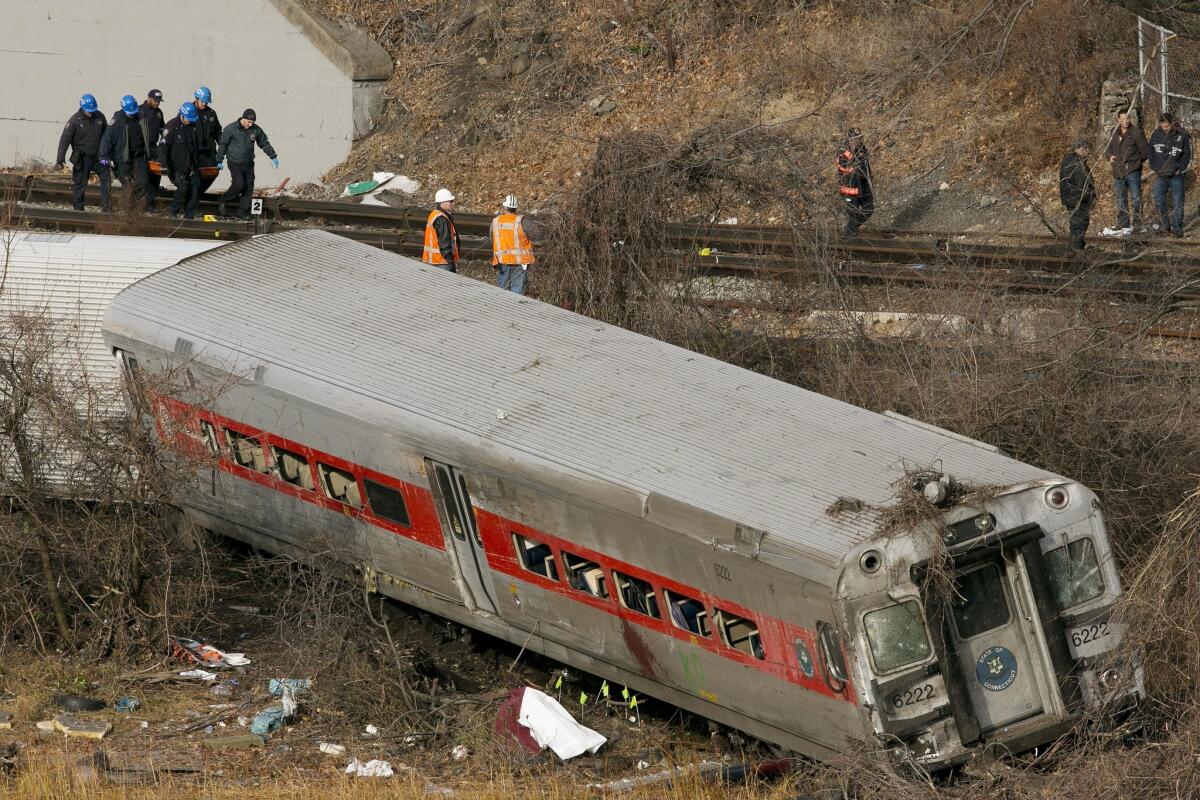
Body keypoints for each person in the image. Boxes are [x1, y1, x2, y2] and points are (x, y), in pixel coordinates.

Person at [215, 109, 279, 220]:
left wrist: (273, 156)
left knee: (249, 187)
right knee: (239, 184)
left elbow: (264, 143)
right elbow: (223, 145)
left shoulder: (255, 130)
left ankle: (242, 211)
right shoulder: (231, 129)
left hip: (248, 163)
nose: (250, 124)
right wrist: (219, 160)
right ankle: (223, 200)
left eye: (252, 122)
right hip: (235, 162)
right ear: (243, 118)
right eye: (249, 122)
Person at [55, 93, 111, 212]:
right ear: (83, 108)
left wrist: (108, 154)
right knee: (80, 185)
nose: (91, 113)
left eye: (93, 110)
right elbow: (64, 140)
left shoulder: (100, 117)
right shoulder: (74, 120)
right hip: (82, 157)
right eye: (89, 110)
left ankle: (107, 208)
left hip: (99, 156)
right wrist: (60, 160)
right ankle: (78, 210)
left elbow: (107, 136)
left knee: (106, 179)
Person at [99, 94, 151, 211]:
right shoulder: (117, 121)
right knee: (127, 185)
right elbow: (107, 138)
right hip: (122, 158)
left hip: (138, 156)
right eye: (130, 112)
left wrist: (150, 153)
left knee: (143, 183)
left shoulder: (142, 117)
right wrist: (103, 156)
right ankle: (127, 210)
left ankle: (137, 209)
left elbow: (147, 138)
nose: (132, 114)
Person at [1148, 111, 1191, 237]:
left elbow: (1187, 154)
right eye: (1162, 125)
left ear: (1172, 123)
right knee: (1158, 199)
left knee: (1178, 201)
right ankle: (1165, 226)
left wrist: (1181, 168)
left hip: (1176, 175)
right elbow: (1150, 150)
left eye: (1167, 125)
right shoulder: (1156, 134)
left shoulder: (1182, 135)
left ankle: (1177, 228)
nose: (1165, 128)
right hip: (1161, 174)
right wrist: (1154, 167)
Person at [1104, 110, 1149, 232]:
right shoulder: (1113, 132)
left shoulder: (1136, 133)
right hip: (1118, 171)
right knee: (1120, 198)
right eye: (1123, 119)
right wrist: (1109, 157)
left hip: (1133, 170)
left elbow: (1145, 152)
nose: (1126, 121)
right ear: (1118, 119)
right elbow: (1108, 149)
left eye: (1128, 118)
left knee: (1136, 198)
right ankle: (1123, 223)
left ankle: (1137, 223)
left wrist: (1136, 162)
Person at [158, 102, 201, 219]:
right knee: (182, 187)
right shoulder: (171, 126)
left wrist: (196, 163)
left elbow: (194, 147)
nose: (190, 121)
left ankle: (189, 213)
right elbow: (162, 147)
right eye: (189, 119)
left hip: (190, 166)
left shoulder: (193, 127)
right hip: (176, 167)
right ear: (183, 115)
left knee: (195, 186)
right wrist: (163, 164)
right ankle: (173, 211)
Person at [490, 194, 535, 294]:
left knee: (503, 293)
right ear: (516, 208)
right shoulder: (522, 222)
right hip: (520, 262)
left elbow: (492, 240)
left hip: (503, 261)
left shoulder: (496, 222)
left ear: (504, 207)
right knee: (517, 293)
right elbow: (533, 237)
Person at [1059, 138, 1096, 251]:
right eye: (1085, 148)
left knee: (1078, 227)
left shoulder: (1070, 160)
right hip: (1078, 201)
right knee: (1078, 227)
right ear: (1078, 149)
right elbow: (1083, 185)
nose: (1088, 151)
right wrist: (1089, 195)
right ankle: (1076, 252)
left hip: (1073, 200)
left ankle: (1077, 249)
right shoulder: (1076, 163)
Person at [836, 127, 873, 236]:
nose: (859, 140)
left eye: (860, 137)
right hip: (850, 187)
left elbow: (866, 165)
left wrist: (870, 177)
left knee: (869, 208)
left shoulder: (862, 148)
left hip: (863, 184)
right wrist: (853, 170)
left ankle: (851, 228)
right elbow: (840, 167)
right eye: (856, 138)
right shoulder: (844, 151)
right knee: (854, 214)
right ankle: (848, 237)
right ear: (850, 139)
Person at [192, 86, 222, 195]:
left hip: (208, 152)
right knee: (194, 179)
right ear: (196, 99)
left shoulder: (211, 113)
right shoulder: (189, 111)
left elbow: (218, 132)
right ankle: (192, 198)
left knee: (211, 174)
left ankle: (197, 195)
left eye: (207, 102)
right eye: (202, 101)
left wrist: (223, 148)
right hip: (194, 152)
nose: (205, 104)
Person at [139, 90, 166, 209]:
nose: (157, 103)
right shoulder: (140, 111)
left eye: (159, 101)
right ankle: (142, 204)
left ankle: (151, 203)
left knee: (156, 175)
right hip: (142, 147)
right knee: (144, 178)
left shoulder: (159, 112)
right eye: (155, 101)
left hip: (154, 147)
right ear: (149, 98)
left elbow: (162, 129)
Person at [423, 188, 460, 272]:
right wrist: (450, 262)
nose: (452, 203)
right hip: (442, 261)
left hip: (436, 260)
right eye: (450, 201)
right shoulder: (441, 218)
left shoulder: (434, 214)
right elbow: (444, 242)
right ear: (442, 202)